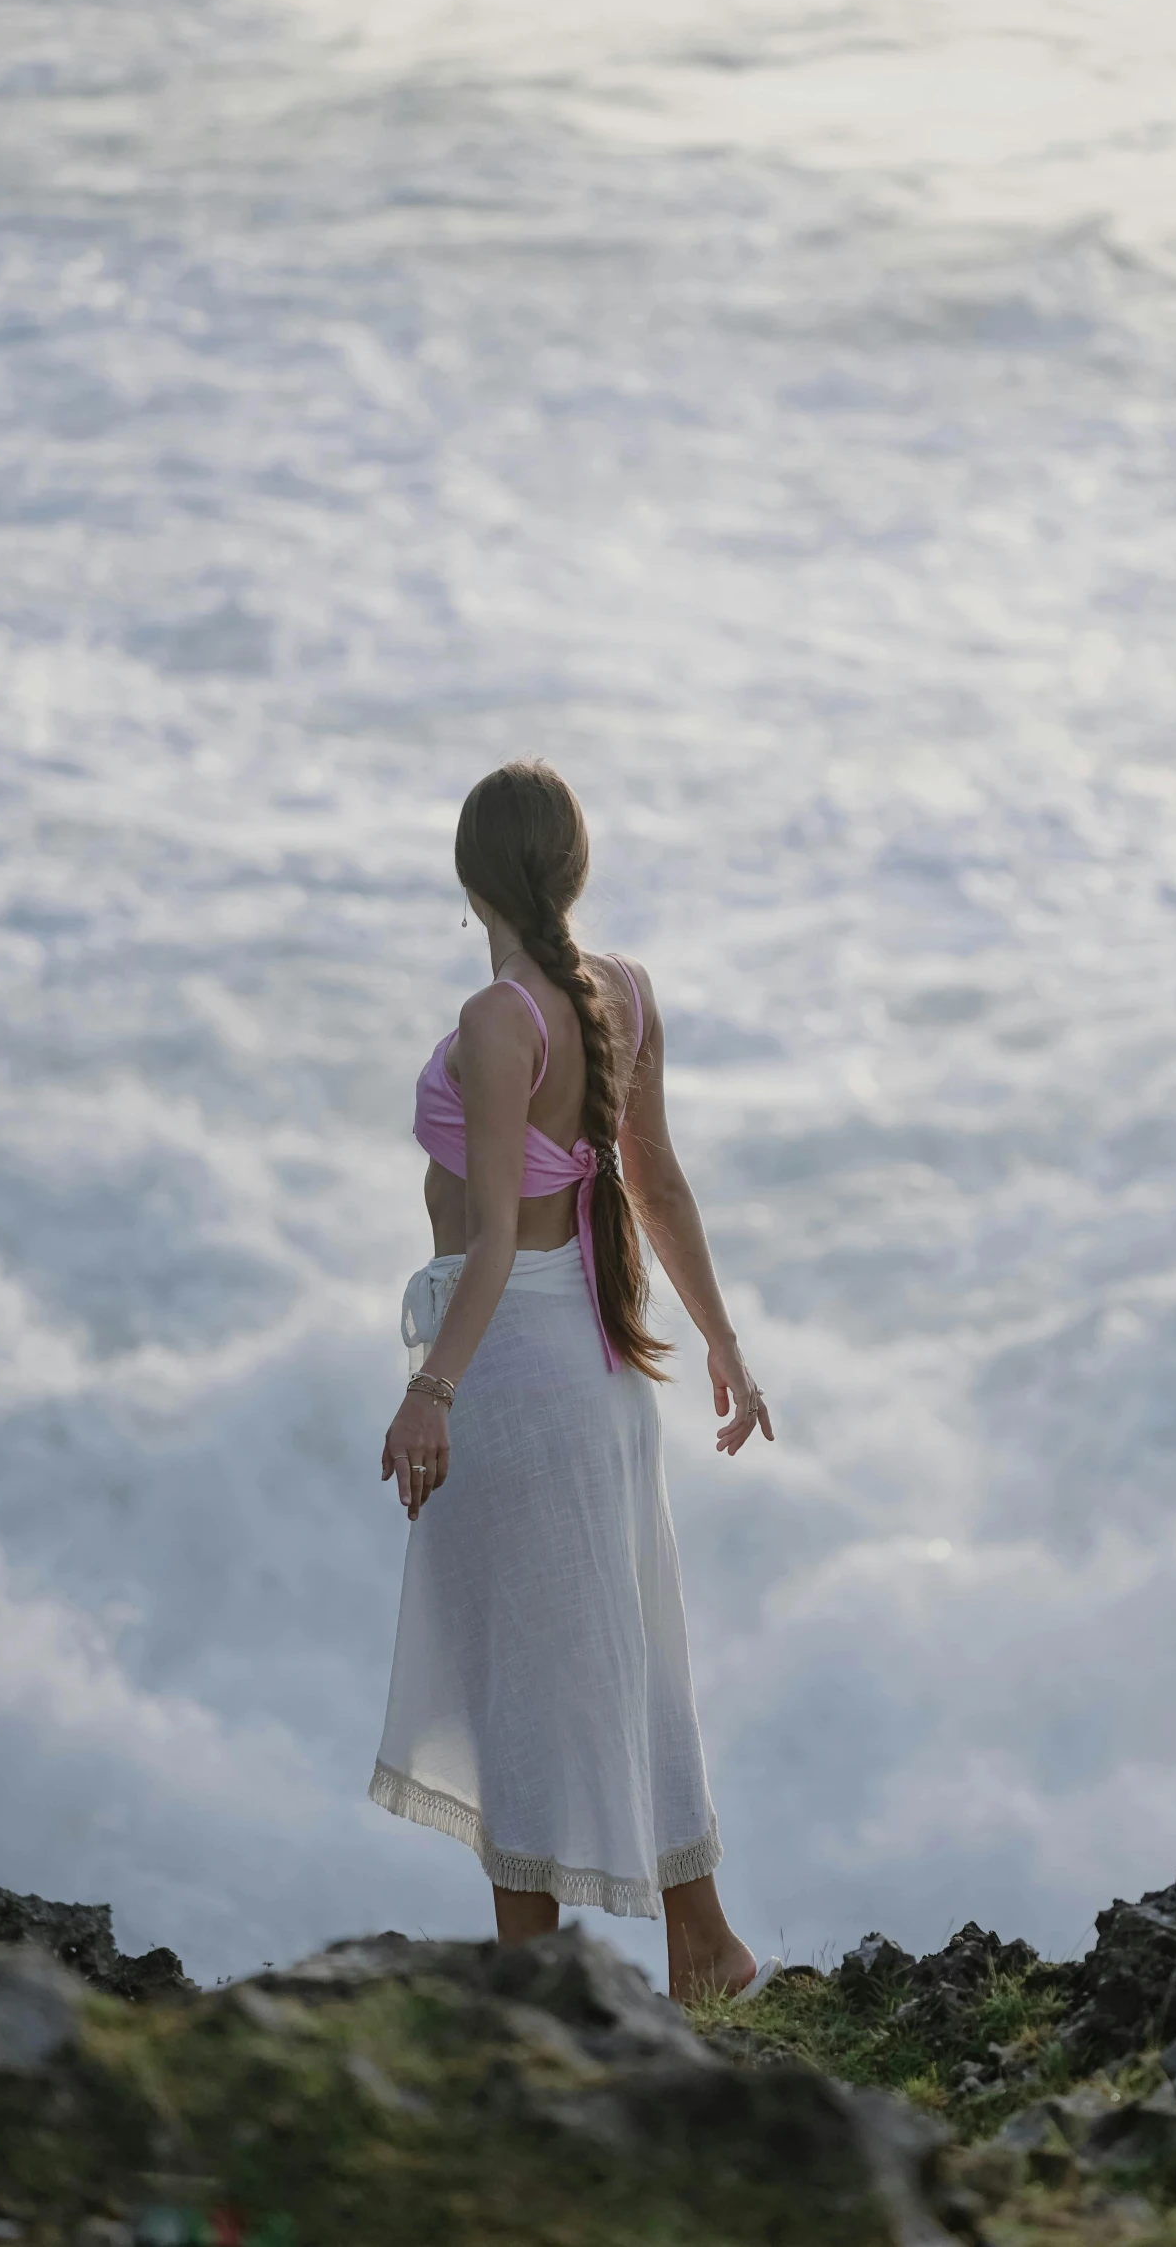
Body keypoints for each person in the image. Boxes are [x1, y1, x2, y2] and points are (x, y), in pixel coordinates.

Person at [369, 758, 778, 2002]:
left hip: (517, 1370)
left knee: (521, 1681)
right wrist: (721, 1342)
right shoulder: (625, 992)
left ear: (468, 873)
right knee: (625, 1652)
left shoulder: (502, 1016)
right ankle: (700, 1944)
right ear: (575, 866)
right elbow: (654, 1180)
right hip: (594, 1370)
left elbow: (494, 1237)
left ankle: (533, 1987)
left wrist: (429, 1391)